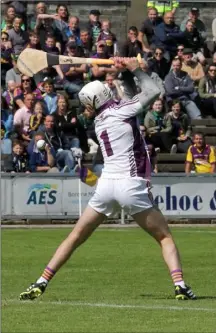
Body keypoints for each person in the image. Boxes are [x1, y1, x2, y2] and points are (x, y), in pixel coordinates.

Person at [19, 57, 196, 301]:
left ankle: (41, 281)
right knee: (164, 237)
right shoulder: (121, 110)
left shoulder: (101, 119)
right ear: (104, 93)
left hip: (106, 186)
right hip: (130, 184)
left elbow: (133, 100)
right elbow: (154, 91)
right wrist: (133, 68)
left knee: (75, 236)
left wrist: (123, 74)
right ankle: (180, 285)